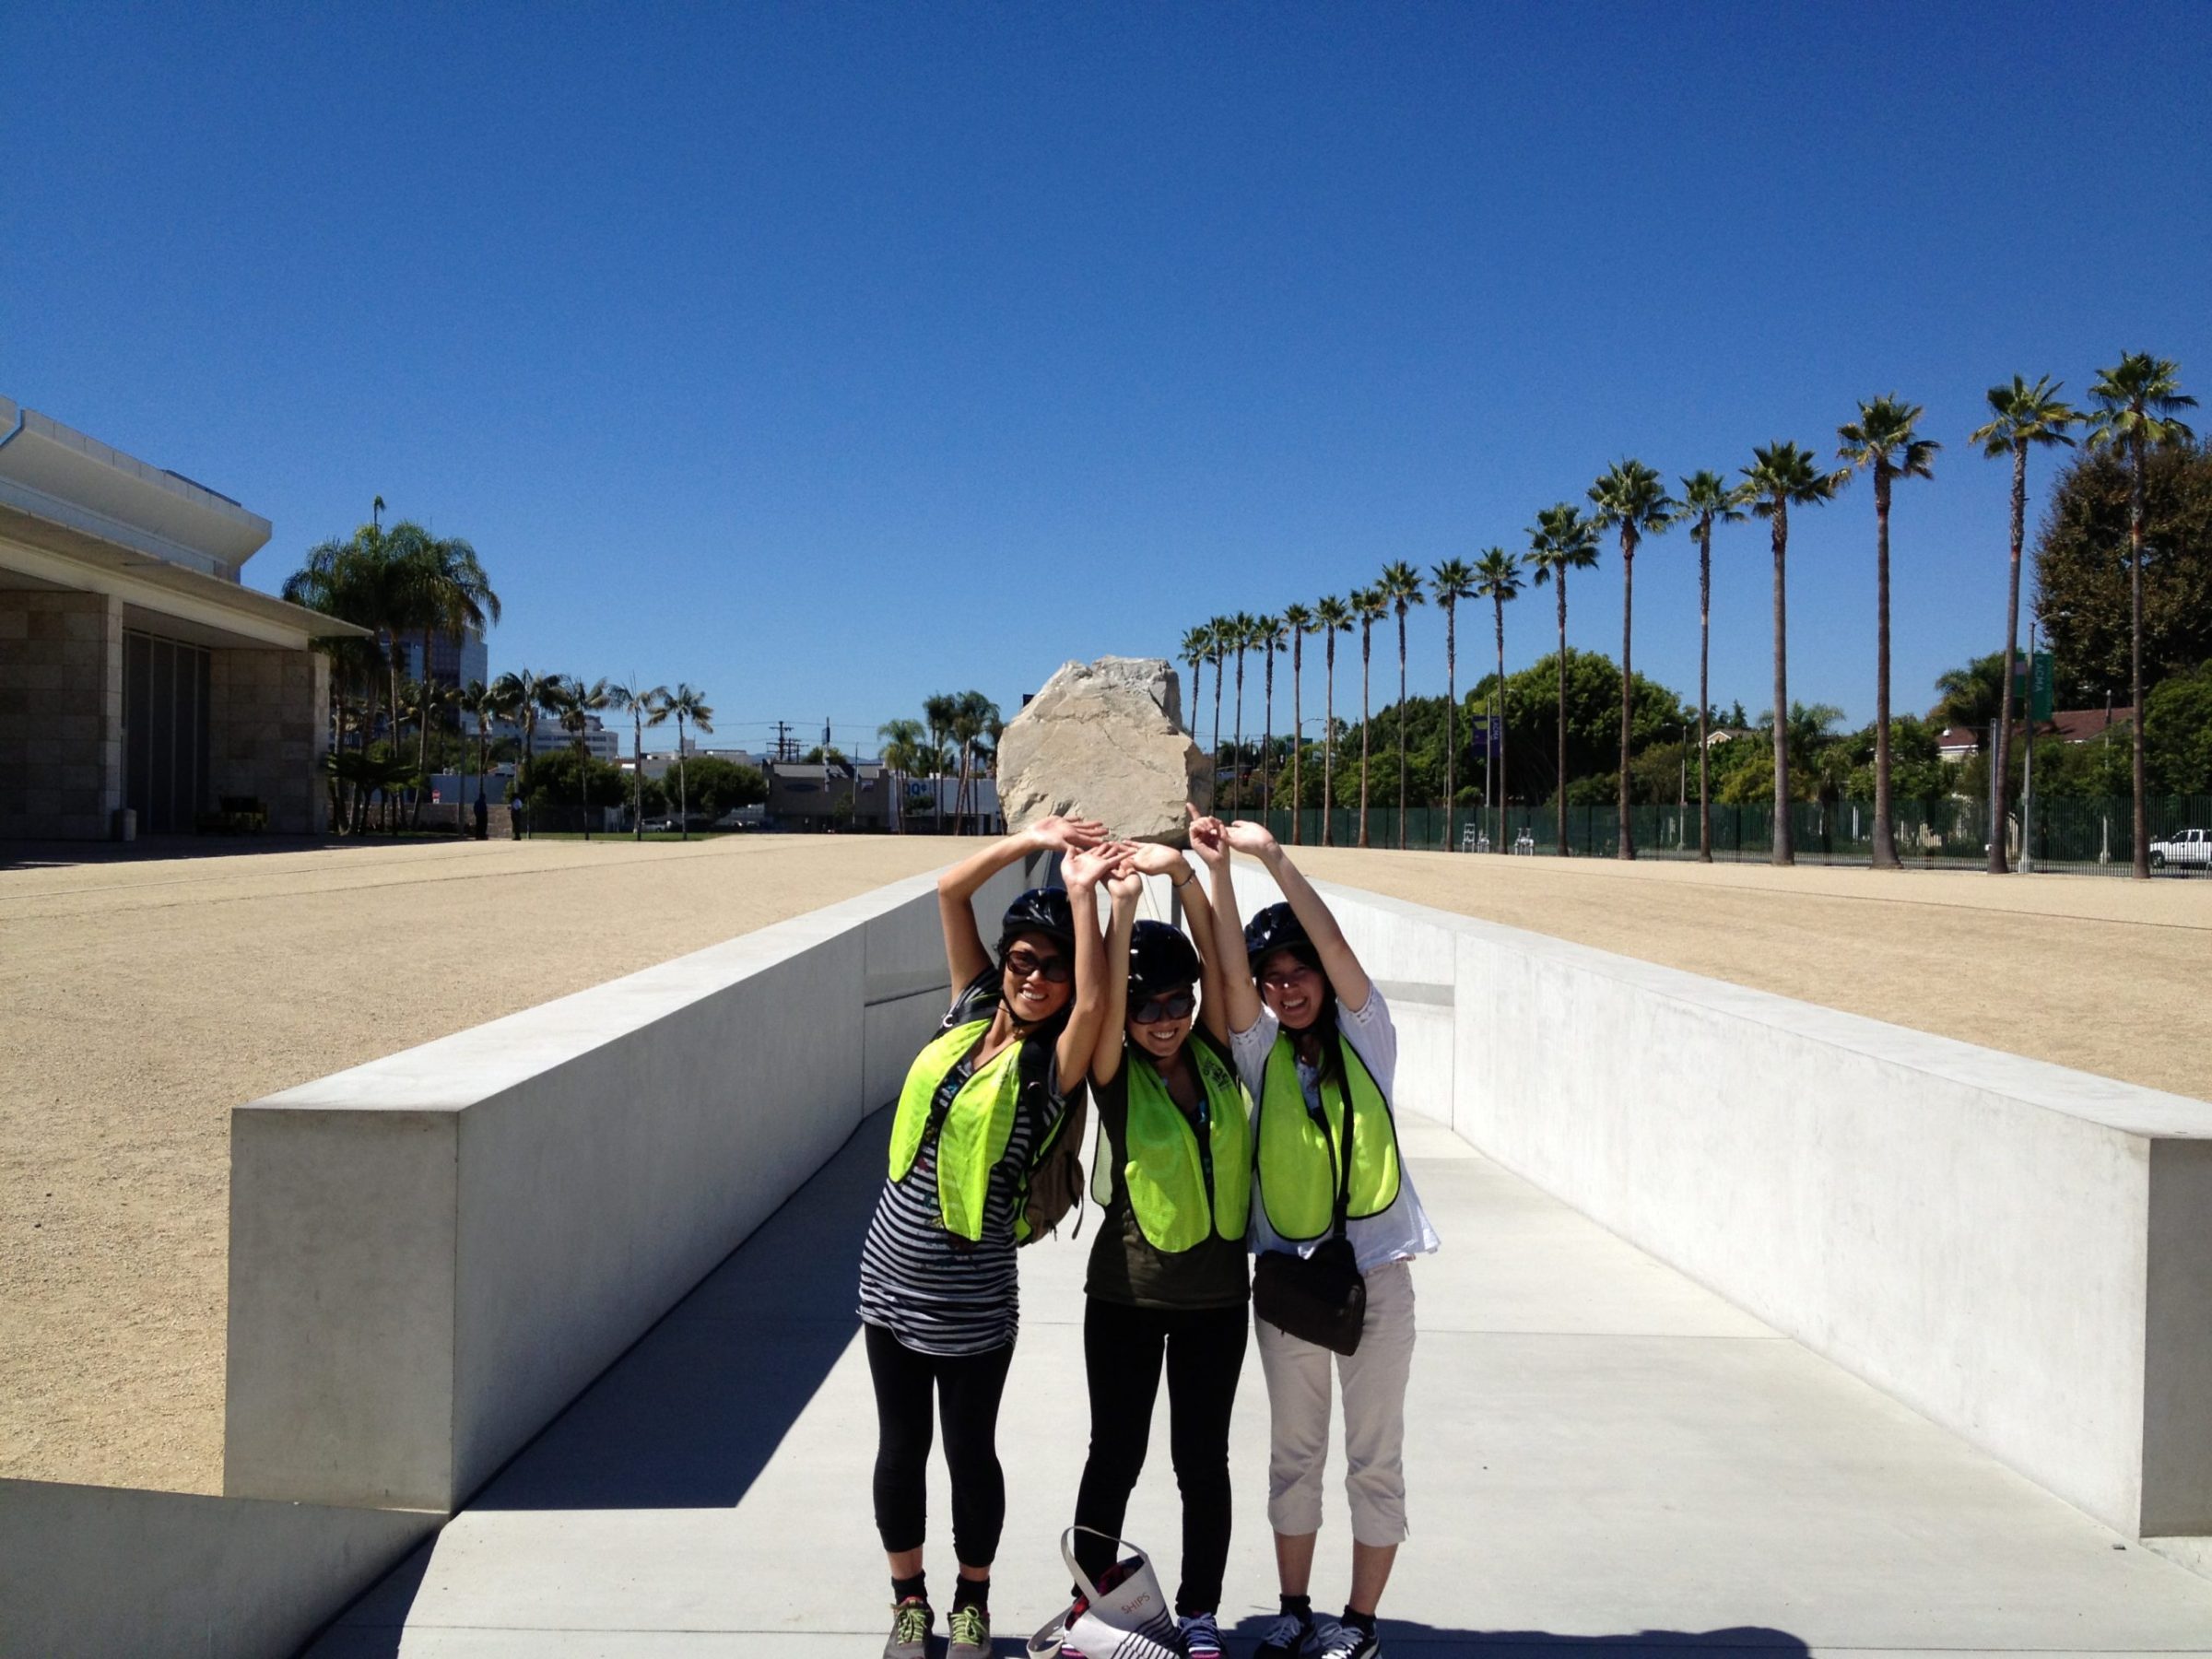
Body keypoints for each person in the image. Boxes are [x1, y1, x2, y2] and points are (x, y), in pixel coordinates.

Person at [858, 816, 1120, 1659]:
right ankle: (909, 1600)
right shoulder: (971, 1005)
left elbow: (1096, 1002)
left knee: (971, 1455)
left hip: (971, 1297)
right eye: (1024, 961)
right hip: (888, 1278)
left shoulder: (1054, 1064)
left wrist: (1086, 899)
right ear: (1004, 964)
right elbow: (949, 890)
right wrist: (1029, 839)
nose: (1036, 977)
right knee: (901, 1450)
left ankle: (972, 1600)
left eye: (1054, 967)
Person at [1188, 810, 1440, 1659]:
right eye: (1274, 979)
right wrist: (1217, 872)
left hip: (1379, 1276)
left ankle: (1358, 1624)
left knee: (1375, 1456)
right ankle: (1294, 1608)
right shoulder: (1258, 1052)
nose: (1288, 988)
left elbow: (1335, 943)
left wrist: (1272, 857)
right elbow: (1226, 967)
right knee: (1294, 1454)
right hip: (1290, 1283)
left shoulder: (1369, 1035)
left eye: (1301, 973)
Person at [1063, 841, 1251, 1659]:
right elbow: (1100, 1006)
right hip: (1127, 1297)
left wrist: (1185, 875)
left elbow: (1223, 962)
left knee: (1202, 1462)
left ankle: (1199, 1611)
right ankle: (1091, 1607)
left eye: (1177, 1001)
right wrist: (1122, 907)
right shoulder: (1115, 1069)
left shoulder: (1215, 1049)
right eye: (1147, 1006)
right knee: (1115, 1456)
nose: (1164, 1019)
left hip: (1218, 1300)